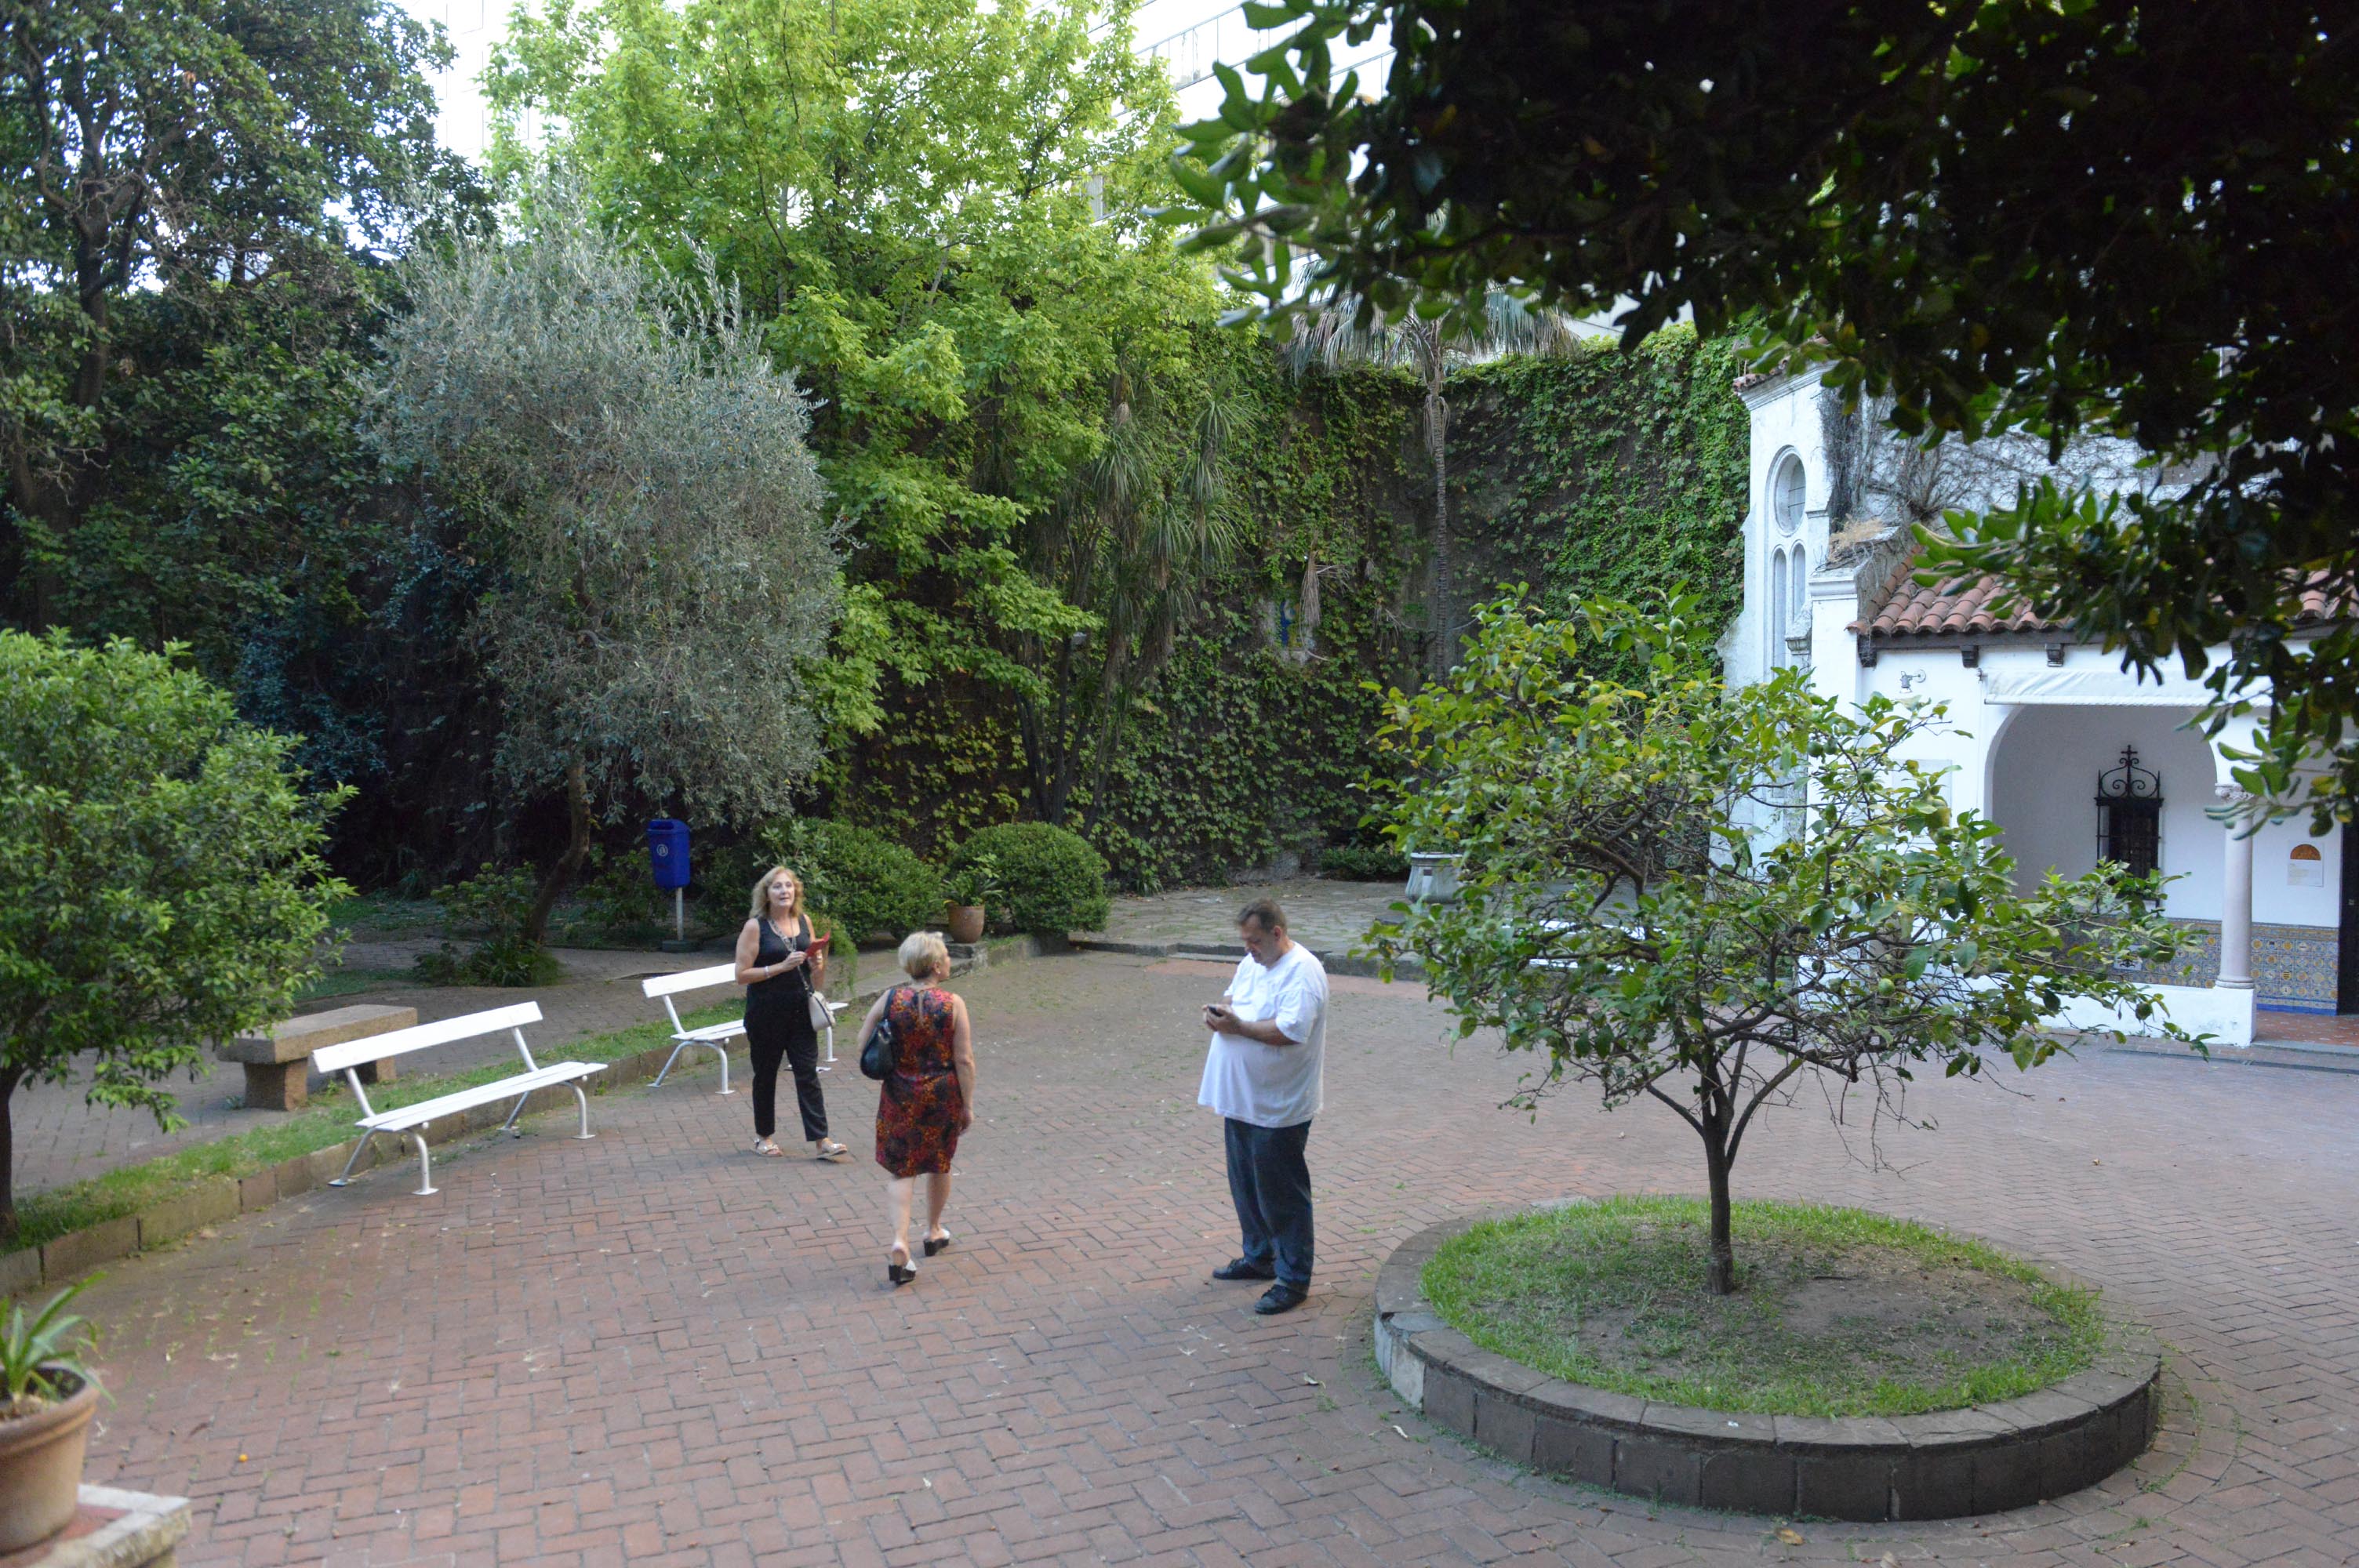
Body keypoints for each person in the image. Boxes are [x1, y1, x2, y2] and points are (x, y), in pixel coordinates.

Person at [1198, 897, 1329, 1316]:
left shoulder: (1303, 972)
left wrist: (1238, 1027)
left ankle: (1293, 1280)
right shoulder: (1252, 962)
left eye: (1254, 940)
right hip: (1241, 1098)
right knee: (1247, 1185)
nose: (1248, 949)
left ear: (1277, 933)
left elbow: (1290, 1032)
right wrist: (1221, 1015)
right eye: (1244, 941)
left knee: (1281, 1194)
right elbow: (1234, 997)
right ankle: (1259, 1257)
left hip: (1279, 1105)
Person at [856, 931, 976, 1287]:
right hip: (942, 1094)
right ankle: (934, 1230)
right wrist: (967, 1104)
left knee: (901, 1170)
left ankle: (899, 1241)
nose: (950, 961)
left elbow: (863, 1043)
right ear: (936, 965)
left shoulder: (890, 999)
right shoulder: (953, 1004)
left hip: (899, 1094)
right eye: (947, 956)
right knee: (940, 1162)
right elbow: (964, 1059)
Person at [735, 867, 849, 1162]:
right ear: (766, 893)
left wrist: (817, 965)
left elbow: (817, 980)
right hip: (766, 1014)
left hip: (800, 1012)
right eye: (777, 887)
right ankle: (763, 1137)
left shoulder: (804, 921)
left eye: (789, 886)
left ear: (796, 890)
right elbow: (741, 975)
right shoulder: (755, 927)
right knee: (765, 1075)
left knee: (808, 1073)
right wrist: (780, 967)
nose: (784, 891)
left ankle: (822, 1140)